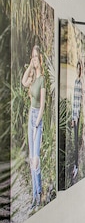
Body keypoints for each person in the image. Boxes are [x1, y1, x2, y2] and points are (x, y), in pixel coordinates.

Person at [21, 45, 45, 210]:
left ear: (40, 58)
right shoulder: (32, 78)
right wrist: (30, 65)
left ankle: (39, 192)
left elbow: (43, 105)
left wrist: (37, 124)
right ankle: (35, 196)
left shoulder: (42, 79)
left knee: (36, 159)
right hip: (31, 115)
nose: (35, 59)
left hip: (37, 118)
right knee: (31, 159)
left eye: (37, 57)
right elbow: (23, 82)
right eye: (33, 56)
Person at [71, 61, 82, 180]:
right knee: (75, 142)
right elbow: (74, 101)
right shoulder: (76, 82)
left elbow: (79, 102)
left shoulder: (80, 82)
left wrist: (77, 117)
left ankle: (76, 166)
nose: (78, 71)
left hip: (78, 116)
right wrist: (72, 117)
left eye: (79, 69)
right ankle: (76, 165)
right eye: (77, 68)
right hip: (75, 116)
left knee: (76, 142)